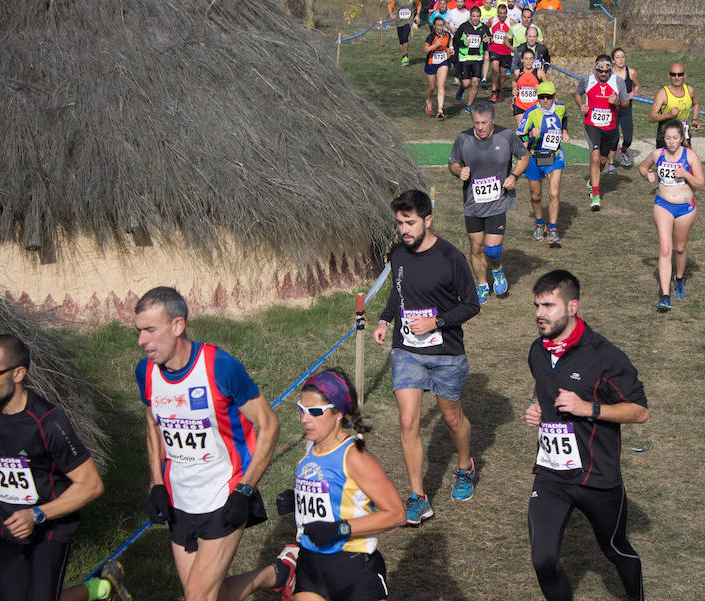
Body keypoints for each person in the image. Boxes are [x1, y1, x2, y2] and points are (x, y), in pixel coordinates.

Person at [135, 287, 294, 601]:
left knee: (197, 596)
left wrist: (245, 490)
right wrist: (156, 484)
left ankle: (280, 572)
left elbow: (269, 423)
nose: (142, 341)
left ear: (178, 326)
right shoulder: (146, 372)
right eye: (139, 331)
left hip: (225, 494)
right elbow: (152, 423)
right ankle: (279, 573)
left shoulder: (219, 366)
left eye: (150, 330)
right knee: (210, 594)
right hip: (179, 499)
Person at [524, 270, 649, 601]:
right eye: (537, 305)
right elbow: (543, 389)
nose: (540, 313)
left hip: (597, 477)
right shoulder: (538, 351)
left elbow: (639, 411)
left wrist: (589, 409)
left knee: (615, 549)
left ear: (573, 306)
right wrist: (537, 408)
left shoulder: (604, 357)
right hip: (551, 474)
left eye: (549, 305)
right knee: (543, 560)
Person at [0, 334, 133, 601]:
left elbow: (91, 485)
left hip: (49, 530)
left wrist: (37, 514)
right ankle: (102, 587)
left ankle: (102, 587)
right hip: (9, 524)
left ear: (18, 373)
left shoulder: (48, 423)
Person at [372, 190, 480, 525]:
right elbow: (399, 290)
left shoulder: (451, 257)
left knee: (452, 420)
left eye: (411, 222)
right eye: (400, 223)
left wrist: (438, 322)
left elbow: (472, 304)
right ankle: (418, 497)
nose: (404, 229)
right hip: (407, 351)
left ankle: (465, 467)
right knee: (408, 422)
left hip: (446, 352)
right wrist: (384, 319)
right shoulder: (397, 255)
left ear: (428, 219)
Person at [291, 369, 406, 601]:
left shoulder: (354, 456)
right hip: (310, 568)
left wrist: (339, 529)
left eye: (314, 412)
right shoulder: (310, 450)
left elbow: (396, 514)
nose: (305, 419)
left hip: (353, 570)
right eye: (302, 410)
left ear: (338, 413)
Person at [448, 100, 529, 302]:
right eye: (476, 123)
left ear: (492, 120)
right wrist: (459, 171)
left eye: (484, 123)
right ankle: (482, 284)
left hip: (497, 201)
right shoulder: (463, 139)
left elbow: (524, 156)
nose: (480, 127)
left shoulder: (506, 136)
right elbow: (452, 163)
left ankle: (497, 269)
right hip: (473, 203)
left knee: (492, 249)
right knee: (476, 247)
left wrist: (515, 175)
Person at [638, 119, 705, 312]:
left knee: (680, 248)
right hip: (663, 205)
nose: (671, 141)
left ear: (681, 138)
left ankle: (679, 278)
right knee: (666, 249)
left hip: (685, 208)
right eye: (668, 138)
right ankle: (665, 296)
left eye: (675, 138)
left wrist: (686, 173)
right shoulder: (658, 154)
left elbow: (701, 185)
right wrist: (647, 175)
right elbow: (643, 167)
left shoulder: (690, 156)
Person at [573, 54, 629, 210]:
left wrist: (617, 102)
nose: (603, 74)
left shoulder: (617, 82)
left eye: (606, 72)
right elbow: (577, 93)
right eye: (600, 71)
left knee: (603, 161)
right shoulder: (587, 80)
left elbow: (626, 103)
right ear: (595, 69)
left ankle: (592, 181)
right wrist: (581, 106)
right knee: (595, 157)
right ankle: (596, 196)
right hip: (591, 124)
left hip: (609, 127)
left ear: (611, 69)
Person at [516, 81, 569, 247]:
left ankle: (553, 228)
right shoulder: (531, 113)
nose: (545, 100)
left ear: (554, 96)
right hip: (534, 157)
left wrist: (565, 131)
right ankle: (540, 223)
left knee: (554, 193)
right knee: (536, 195)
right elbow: (519, 137)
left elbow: (564, 118)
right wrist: (531, 134)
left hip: (554, 156)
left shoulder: (560, 108)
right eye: (541, 97)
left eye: (548, 97)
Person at [648, 62, 701, 148]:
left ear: (685, 75)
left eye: (680, 75)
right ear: (669, 75)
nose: (676, 78)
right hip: (665, 137)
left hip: (683, 134)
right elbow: (651, 118)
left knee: (686, 160)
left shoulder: (690, 90)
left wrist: (694, 119)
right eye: (673, 74)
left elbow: (696, 104)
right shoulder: (663, 93)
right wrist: (668, 115)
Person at [606, 47, 639, 173]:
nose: (621, 60)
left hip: (626, 109)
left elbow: (637, 85)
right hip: (613, 110)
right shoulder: (609, 74)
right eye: (618, 57)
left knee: (628, 138)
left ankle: (624, 151)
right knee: (614, 139)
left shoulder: (631, 72)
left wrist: (633, 93)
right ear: (613, 60)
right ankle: (611, 163)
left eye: (622, 57)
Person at [453, 7, 492, 111]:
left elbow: (490, 37)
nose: (475, 19)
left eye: (477, 16)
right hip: (465, 58)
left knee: (475, 82)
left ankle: (469, 105)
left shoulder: (483, 27)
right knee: (466, 83)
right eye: (473, 16)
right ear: (470, 16)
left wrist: (489, 39)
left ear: (480, 17)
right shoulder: (464, 27)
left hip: (478, 59)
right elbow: (455, 40)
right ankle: (461, 89)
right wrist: (464, 43)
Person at [423, 16, 454, 118]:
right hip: (431, 62)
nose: (439, 28)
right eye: (437, 26)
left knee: (441, 85)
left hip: (443, 61)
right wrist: (435, 45)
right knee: (432, 87)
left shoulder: (447, 35)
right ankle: (428, 99)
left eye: (441, 25)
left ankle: (440, 110)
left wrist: (451, 50)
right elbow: (424, 50)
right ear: (434, 26)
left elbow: (450, 44)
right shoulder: (431, 36)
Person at [511, 47, 548, 127]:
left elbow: (548, 88)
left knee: (535, 132)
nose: (528, 61)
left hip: (535, 106)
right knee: (523, 130)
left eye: (531, 58)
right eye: (526, 58)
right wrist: (514, 88)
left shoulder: (539, 73)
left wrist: (541, 88)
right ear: (522, 60)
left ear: (534, 60)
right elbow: (514, 81)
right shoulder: (518, 72)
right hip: (520, 105)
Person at [486, 4, 515, 102]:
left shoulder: (511, 22)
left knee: (503, 74)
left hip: (506, 51)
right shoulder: (492, 20)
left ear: (506, 13)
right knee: (494, 70)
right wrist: (488, 38)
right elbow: (486, 28)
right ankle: (493, 93)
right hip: (494, 49)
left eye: (504, 13)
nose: (502, 15)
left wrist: (513, 45)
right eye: (500, 13)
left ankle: (499, 90)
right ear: (497, 13)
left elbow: (516, 32)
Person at [388, 0, 422, 67]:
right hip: (399, 21)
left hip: (408, 21)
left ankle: (405, 56)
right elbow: (389, 6)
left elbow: (419, 5)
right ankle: (403, 55)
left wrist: (417, 15)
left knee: (405, 37)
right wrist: (391, 15)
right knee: (401, 41)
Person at [477, 0, 498, 88]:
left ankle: (484, 79)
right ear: (483, 2)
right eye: (486, 3)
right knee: (479, 58)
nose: (488, 5)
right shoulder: (479, 10)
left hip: (489, 38)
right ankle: (477, 75)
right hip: (479, 37)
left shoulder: (494, 11)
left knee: (486, 57)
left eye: (490, 3)